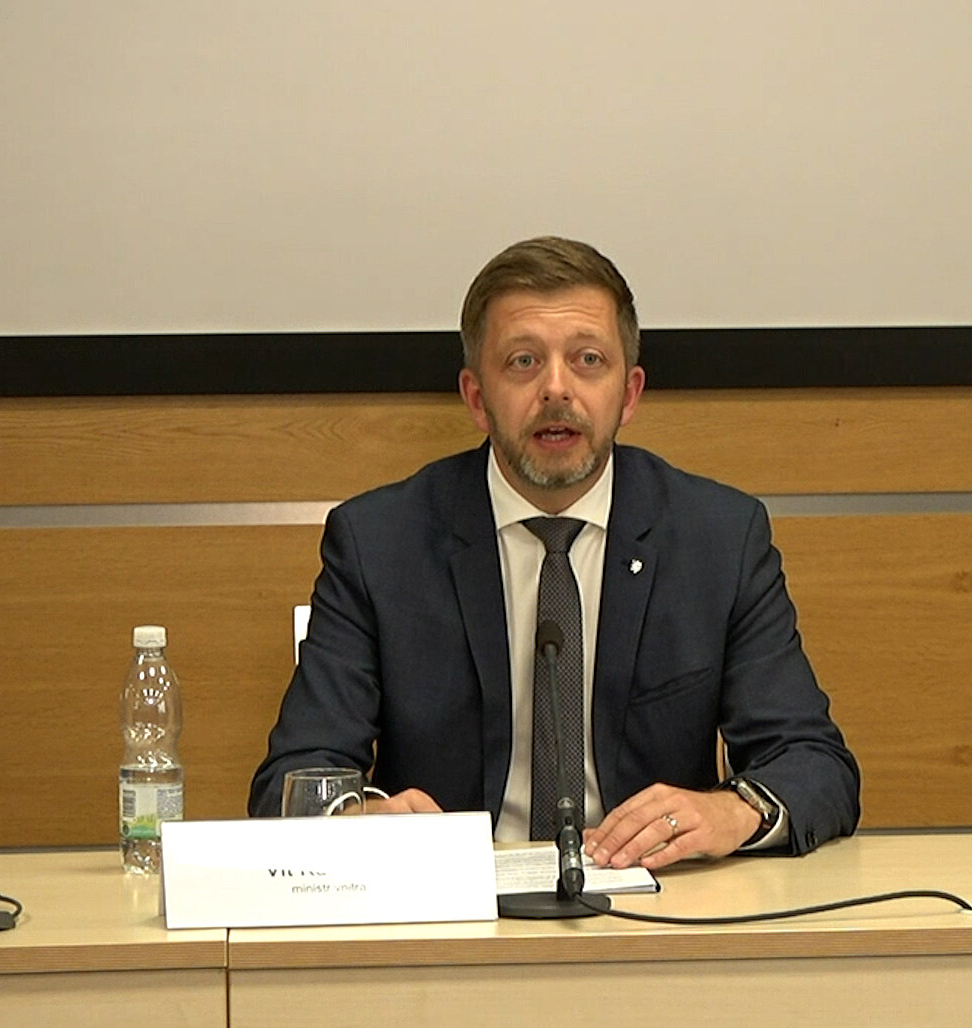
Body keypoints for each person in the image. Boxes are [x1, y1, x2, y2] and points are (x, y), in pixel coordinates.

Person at [250, 236, 859, 869]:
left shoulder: (717, 538)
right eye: (523, 362)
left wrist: (732, 810)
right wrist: (358, 822)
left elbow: (815, 764)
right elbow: (292, 780)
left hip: (659, 901)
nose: (556, 389)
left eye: (589, 360)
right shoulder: (379, 543)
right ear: (477, 398)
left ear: (629, 394)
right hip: (453, 906)